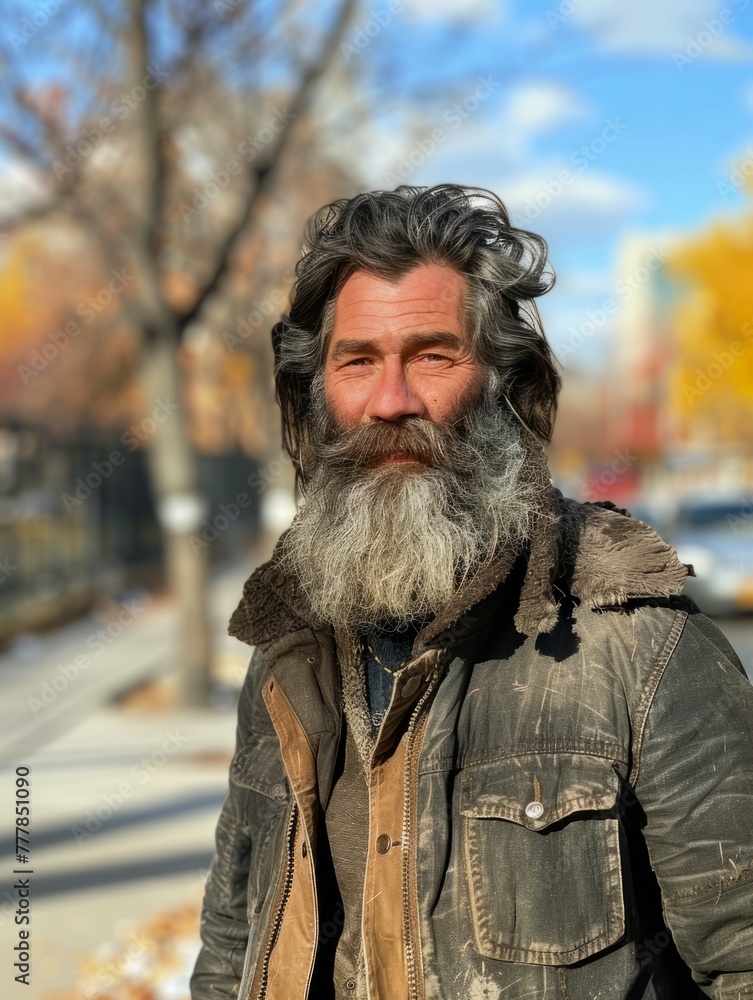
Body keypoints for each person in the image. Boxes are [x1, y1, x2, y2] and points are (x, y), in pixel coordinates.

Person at [190, 184, 753, 1000]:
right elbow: (229, 947)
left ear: (502, 384)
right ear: (316, 397)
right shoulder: (284, 649)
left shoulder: (641, 646)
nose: (391, 402)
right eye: (357, 362)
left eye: (431, 355)